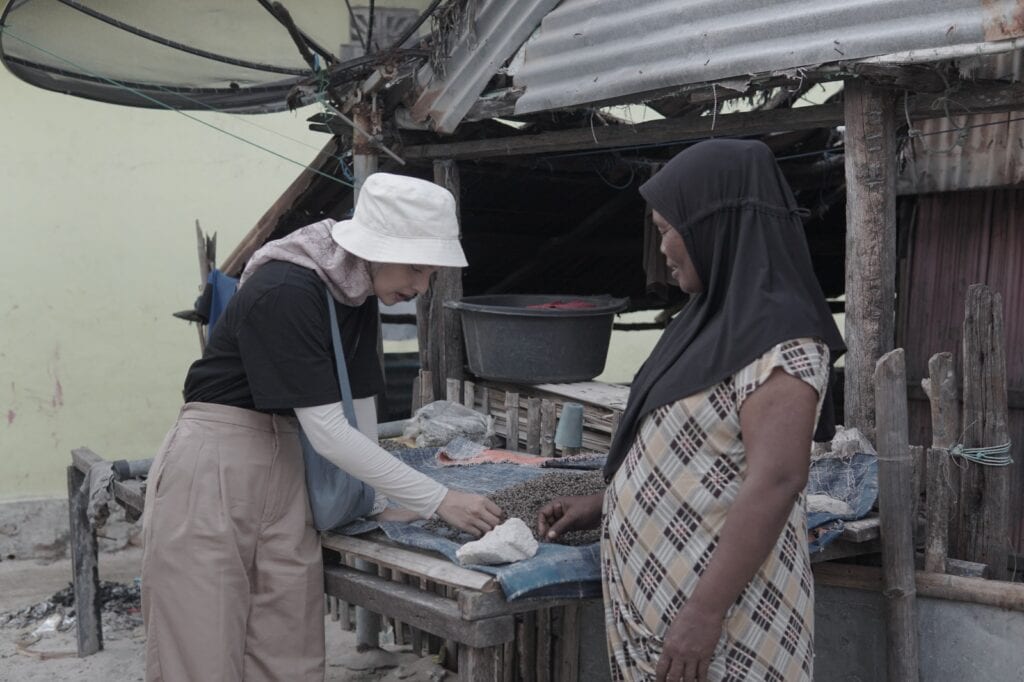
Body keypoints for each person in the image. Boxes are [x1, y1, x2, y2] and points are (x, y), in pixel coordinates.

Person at [141, 172, 504, 681]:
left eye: (431, 274)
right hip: (218, 458)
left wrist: (377, 499)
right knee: (201, 649)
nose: (421, 287)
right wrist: (439, 499)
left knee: (287, 647)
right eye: (417, 268)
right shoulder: (287, 285)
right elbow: (331, 432)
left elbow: (360, 412)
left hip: (291, 463)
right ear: (376, 248)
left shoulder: (353, 292)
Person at [538, 139, 845, 682]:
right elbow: (691, 454)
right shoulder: (704, 324)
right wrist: (606, 503)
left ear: (713, 224)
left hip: (726, 622)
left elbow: (777, 479)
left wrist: (704, 613)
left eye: (664, 230)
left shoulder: (781, 337)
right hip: (661, 607)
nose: (662, 252)